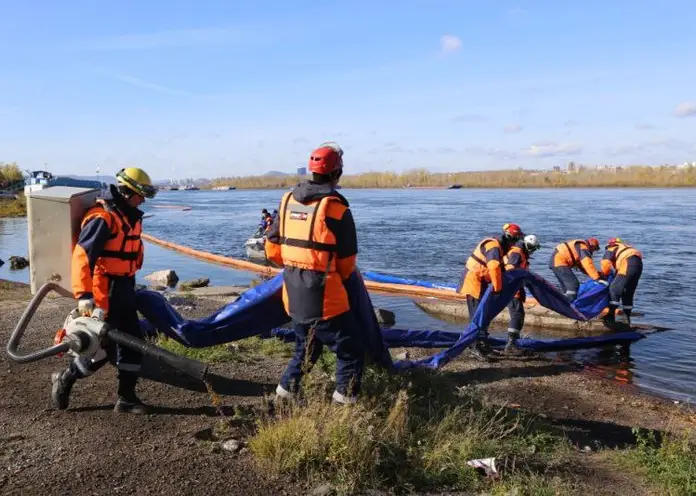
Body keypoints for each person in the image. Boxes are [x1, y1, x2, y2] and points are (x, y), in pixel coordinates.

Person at [51, 167, 157, 414]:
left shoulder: (129, 216)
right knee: (100, 348)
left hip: (124, 287)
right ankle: (66, 378)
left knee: (132, 342)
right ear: (127, 192)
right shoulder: (103, 218)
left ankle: (127, 398)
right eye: (140, 195)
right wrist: (83, 295)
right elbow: (82, 257)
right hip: (103, 291)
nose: (143, 201)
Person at [265, 142, 364, 404]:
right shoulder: (336, 208)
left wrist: (295, 263)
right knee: (350, 351)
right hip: (323, 295)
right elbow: (346, 263)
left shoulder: (286, 201)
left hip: (292, 290)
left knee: (306, 347)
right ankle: (345, 407)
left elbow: (272, 249)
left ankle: (283, 397)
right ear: (336, 174)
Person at [457, 223, 524, 360]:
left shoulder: (499, 247)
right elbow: (493, 268)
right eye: (515, 240)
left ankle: (484, 345)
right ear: (509, 238)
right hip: (474, 283)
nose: (515, 244)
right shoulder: (493, 246)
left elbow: (499, 269)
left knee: (484, 316)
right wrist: (498, 288)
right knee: (477, 317)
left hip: (482, 283)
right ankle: (474, 347)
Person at [503, 234, 541, 352]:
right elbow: (510, 269)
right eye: (532, 248)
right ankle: (511, 345)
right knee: (517, 315)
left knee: (519, 315)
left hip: (515, 288)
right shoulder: (517, 253)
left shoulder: (521, 254)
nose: (533, 251)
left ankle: (513, 342)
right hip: (511, 290)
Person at [600, 237, 643, 325]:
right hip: (638, 266)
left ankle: (610, 316)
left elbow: (605, 263)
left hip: (628, 264)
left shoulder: (612, 248)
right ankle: (627, 317)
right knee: (628, 292)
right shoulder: (627, 248)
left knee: (614, 289)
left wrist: (604, 275)